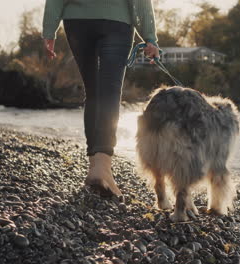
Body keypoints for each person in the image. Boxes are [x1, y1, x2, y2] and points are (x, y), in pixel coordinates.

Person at [42, 0, 160, 197]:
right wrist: (150, 37)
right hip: (116, 20)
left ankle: (95, 167)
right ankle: (102, 168)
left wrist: (49, 31)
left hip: (77, 23)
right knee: (109, 93)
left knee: (94, 93)